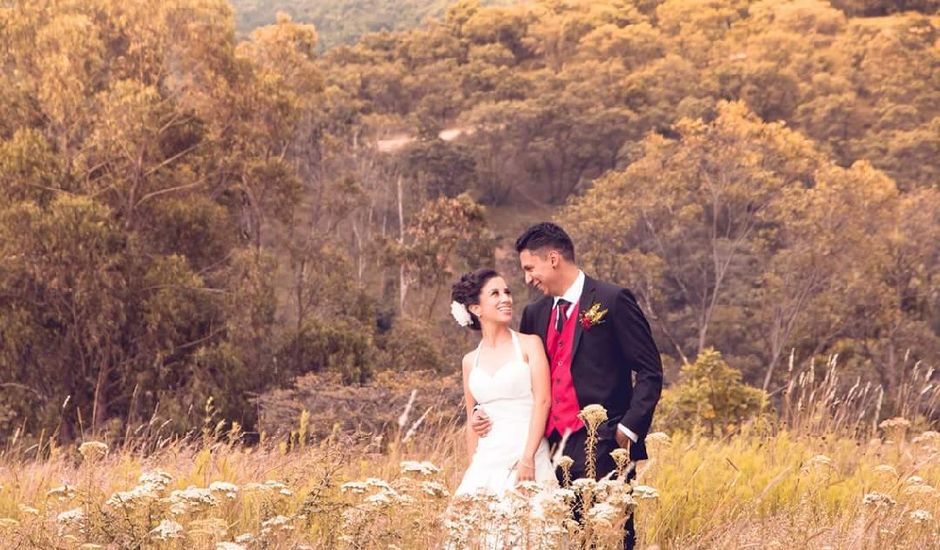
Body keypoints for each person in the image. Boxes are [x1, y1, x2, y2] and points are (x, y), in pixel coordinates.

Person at [471, 222, 663, 549]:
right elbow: (520, 378)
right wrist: (482, 411)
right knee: (562, 538)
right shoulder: (535, 314)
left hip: (605, 443)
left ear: (554, 259)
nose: (528, 278)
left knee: (613, 536)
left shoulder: (613, 300)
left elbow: (650, 371)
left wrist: (627, 430)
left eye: (530, 268)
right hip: (549, 450)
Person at [451, 268, 556, 497]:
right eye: (495, 294)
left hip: (526, 454)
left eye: (507, 292)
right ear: (476, 308)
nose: (506, 299)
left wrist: (528, 458)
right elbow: (471, 422)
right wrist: (473, 468)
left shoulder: (530, 345)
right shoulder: (470, 361)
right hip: (487, 459)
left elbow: (543, 401)